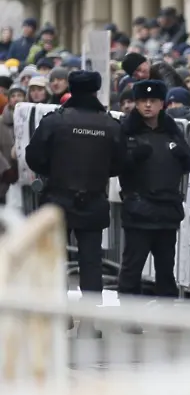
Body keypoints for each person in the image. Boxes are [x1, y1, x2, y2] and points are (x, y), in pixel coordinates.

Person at [25, 70, 125, 338]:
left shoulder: (54, 121)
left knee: (55, 259)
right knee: (91, 263)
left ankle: (61, 314)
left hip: (58, 198)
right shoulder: (110, 125)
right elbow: (120, 162)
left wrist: (55, 170)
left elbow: (33, 157)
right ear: (96, 90)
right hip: (93, 199)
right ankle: (89, 323)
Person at [117, 80, 190, 332]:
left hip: (166, 211)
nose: (147, 105)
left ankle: (167, 316)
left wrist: (184, 156)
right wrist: (131, 158)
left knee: (165, 268)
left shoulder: (172, 131)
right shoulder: (127, 131)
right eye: (142, 101)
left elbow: (188, 162)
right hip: (139, 209)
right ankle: (129, 316)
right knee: (133, 266)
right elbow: (114, 164)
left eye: (153, 101)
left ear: (163, 104)